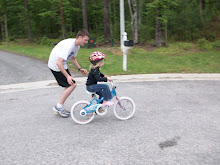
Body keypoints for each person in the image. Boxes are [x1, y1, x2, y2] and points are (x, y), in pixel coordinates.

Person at [48, 29, 89, 117]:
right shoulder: (69, 45)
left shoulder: (77, 46)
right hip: (55, 65)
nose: (86, 42)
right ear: (79, 37)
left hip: (62, 64)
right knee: (72, 84)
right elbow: (58, 62)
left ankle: (59, 106)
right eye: (85, 40)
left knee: (69, 85)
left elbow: (73, 58)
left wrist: (79, 68)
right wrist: (67, 76)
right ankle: (58, 106)